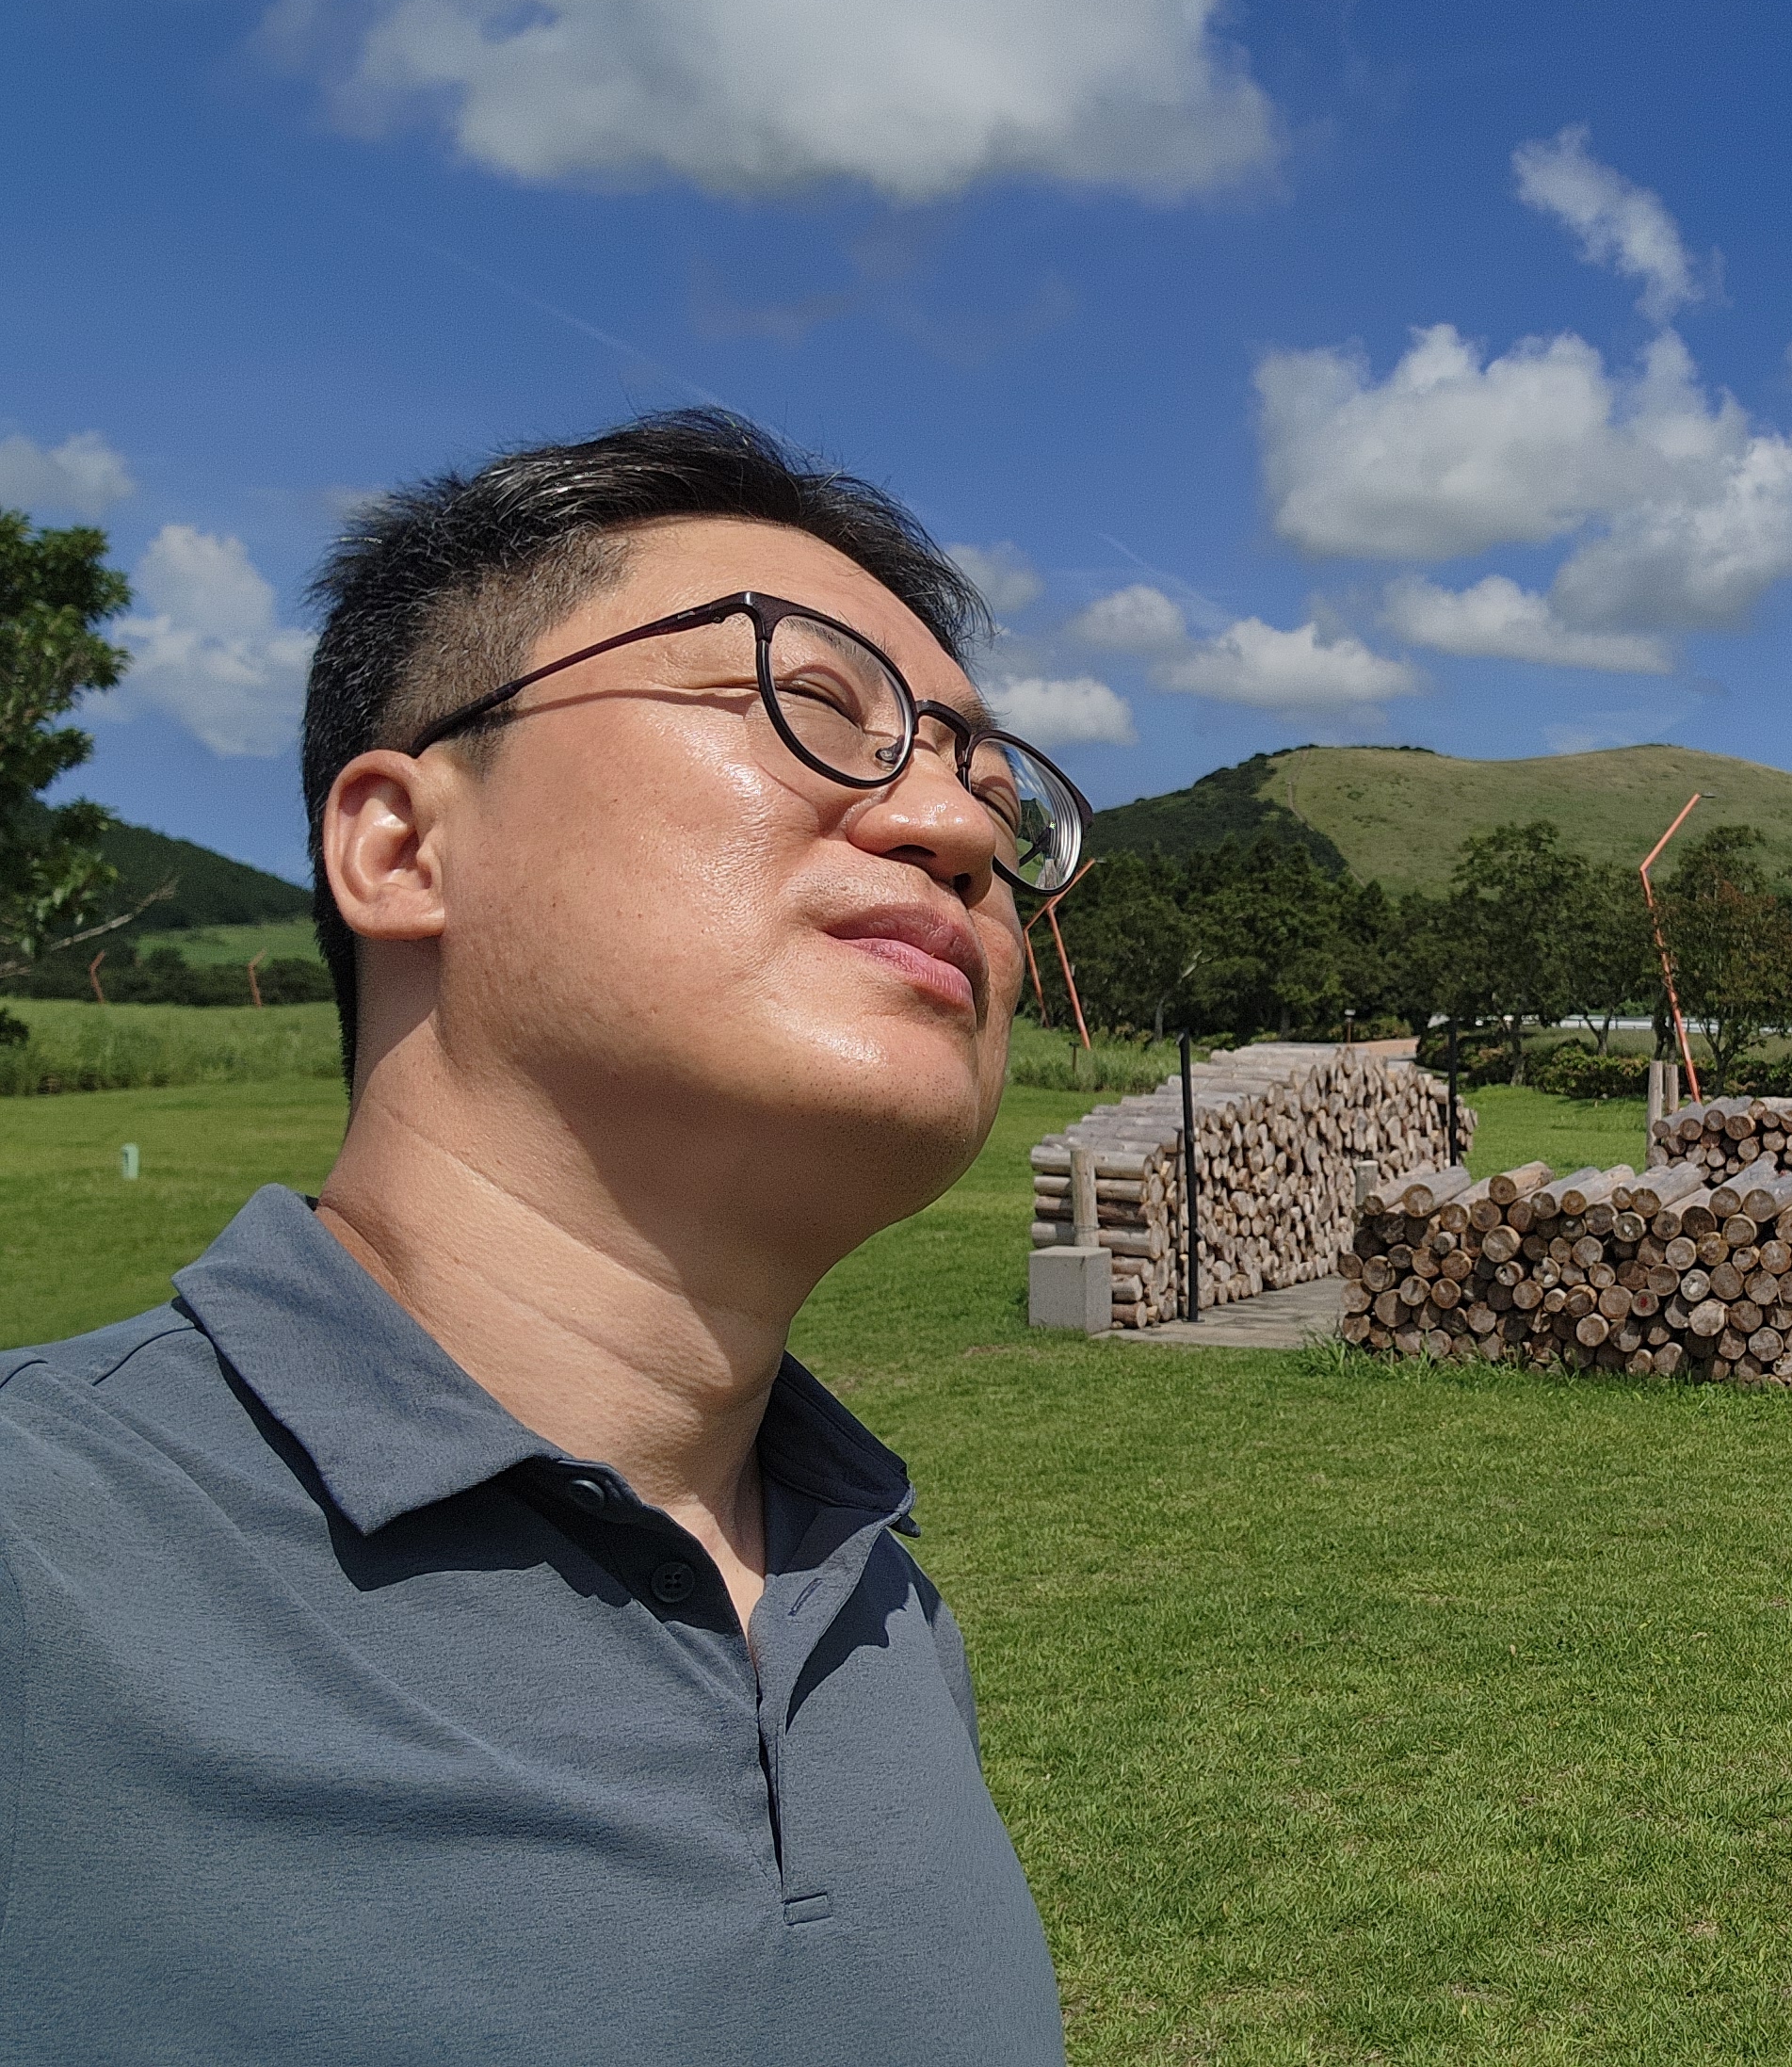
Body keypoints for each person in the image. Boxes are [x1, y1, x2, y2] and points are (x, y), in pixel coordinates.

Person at [0, 411, 1090, 2064]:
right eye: (811, 702)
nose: (960, 831)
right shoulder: (45, 1559)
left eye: (996, 794)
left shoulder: (876, 1605)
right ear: (401, 844)